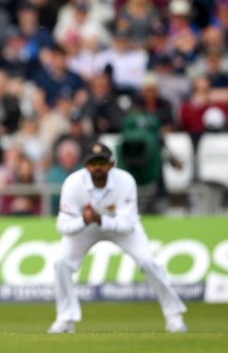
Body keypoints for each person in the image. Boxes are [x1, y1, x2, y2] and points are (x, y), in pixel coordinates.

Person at [48, 142, 187, 334]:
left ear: (111, 164)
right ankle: (65, 319)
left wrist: (100, 220)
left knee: (148, 262)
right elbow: (62, 226)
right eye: (93, 163)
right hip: (87, 226)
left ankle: (174, 316)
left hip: (120, 227)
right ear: (86, 166)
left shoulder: (125, 181)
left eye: (102, 162)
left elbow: (128, 225)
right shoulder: (73, 183)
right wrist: (84, 221)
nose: (97, 167)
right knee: (61, 262)